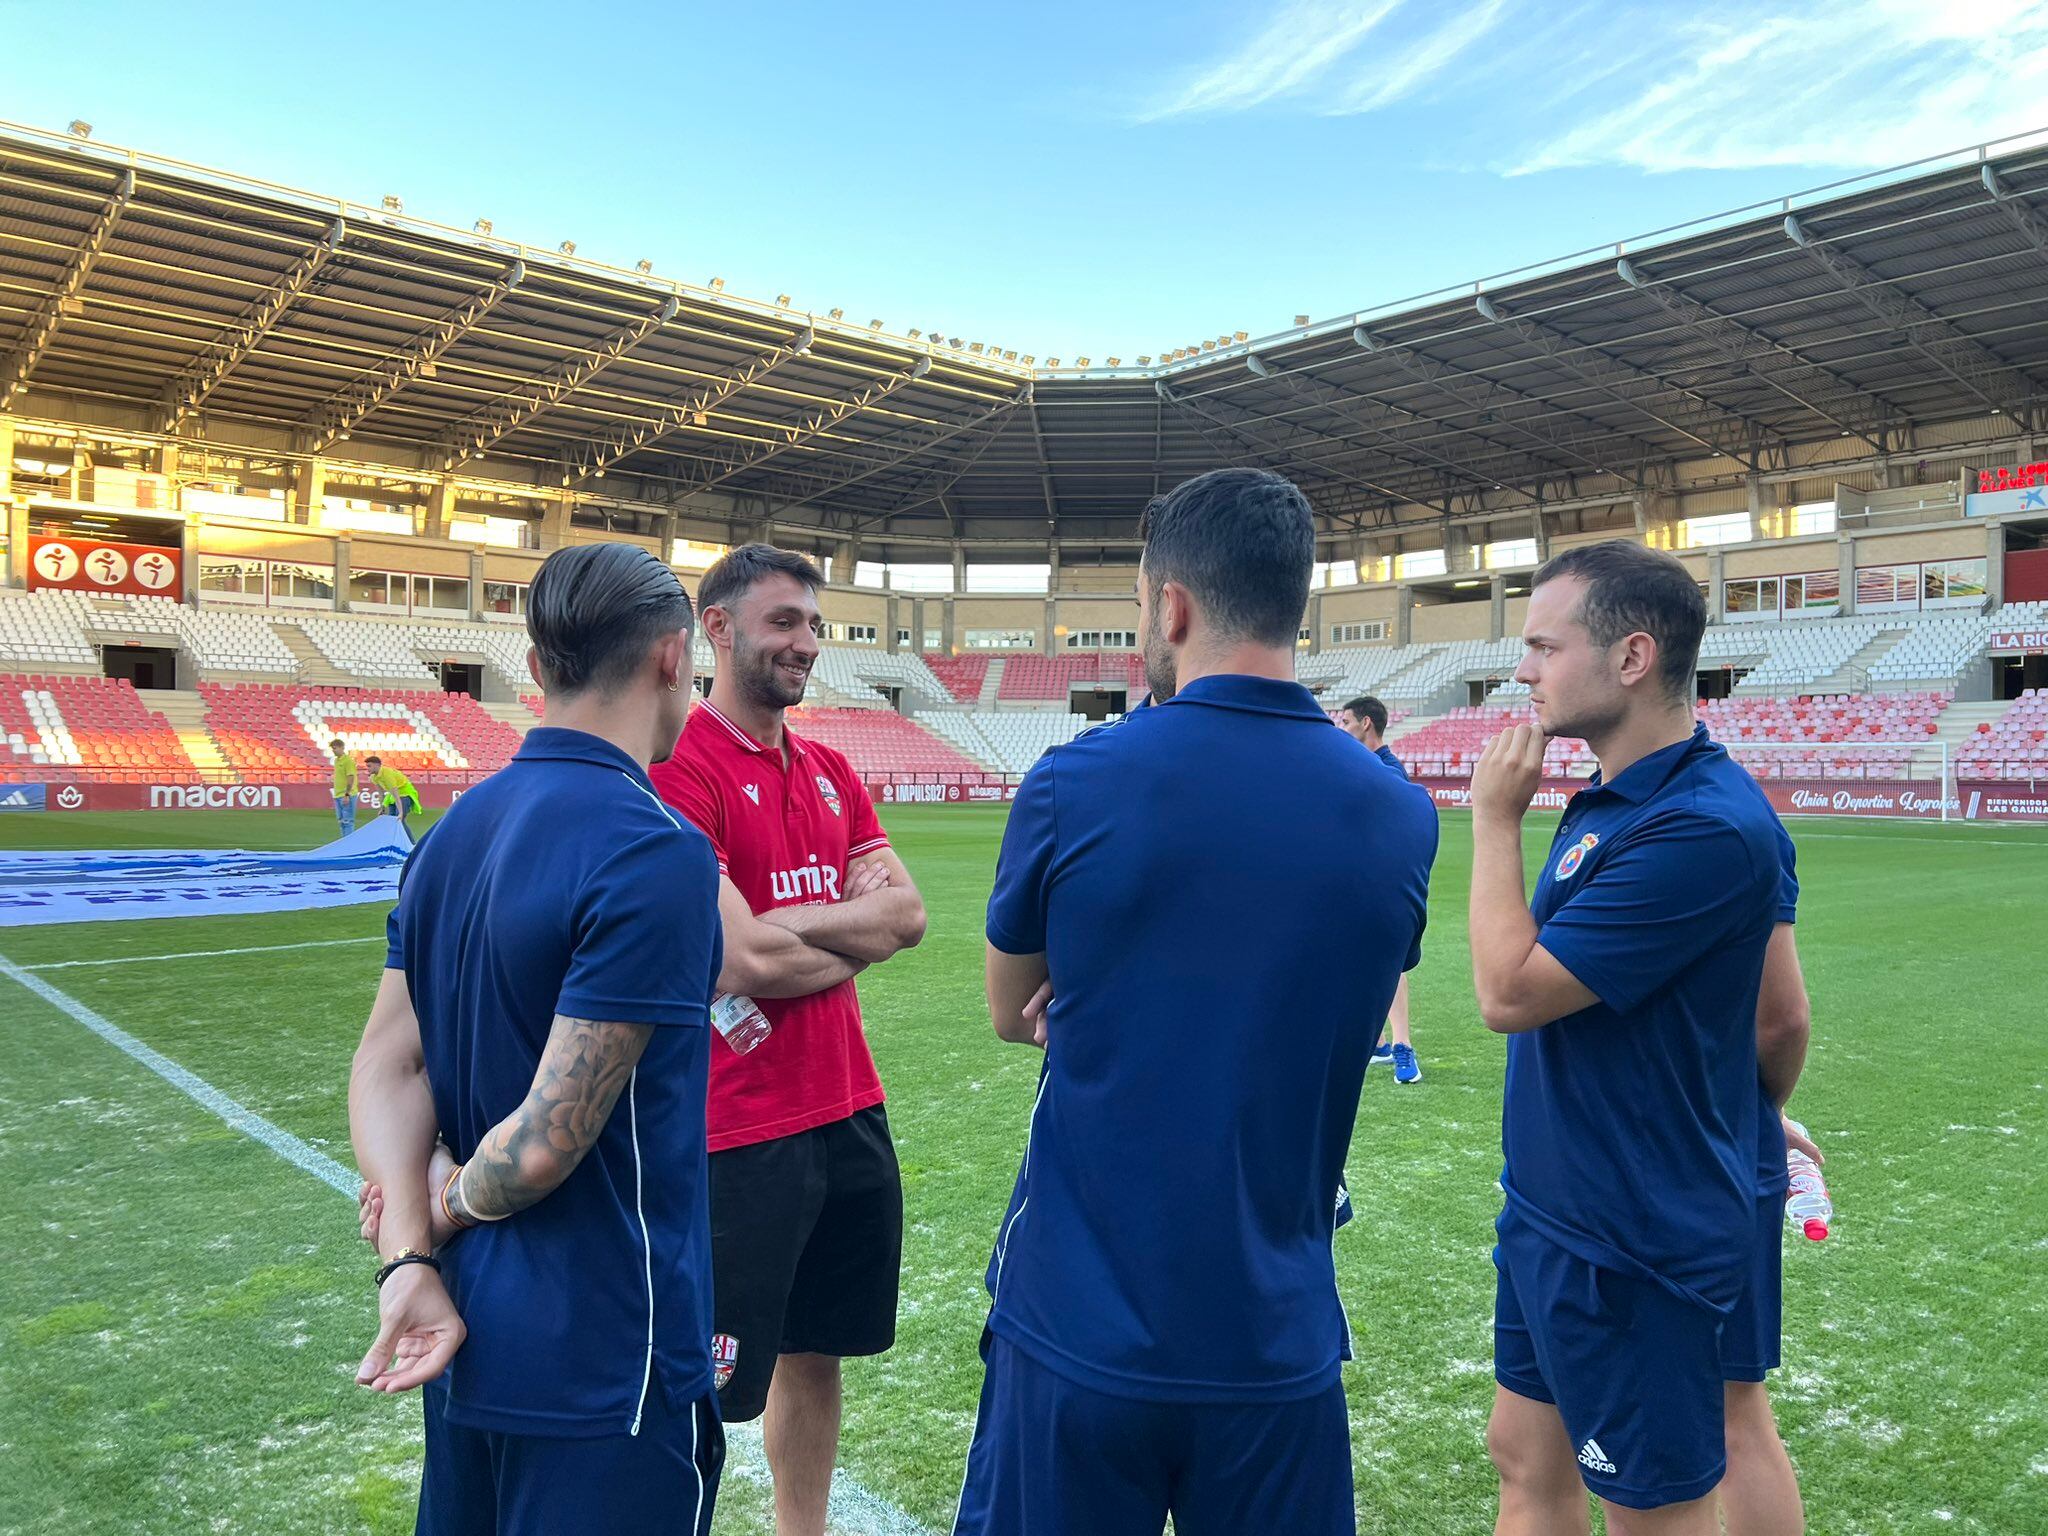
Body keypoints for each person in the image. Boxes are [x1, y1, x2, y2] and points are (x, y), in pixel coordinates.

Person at [958, 468, 1439, 1536]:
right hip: (1275, 1336)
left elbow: (1010, 1007)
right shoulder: (1398, 816)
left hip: (1078, 1322)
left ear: (1170, 604)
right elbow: (1350, 999)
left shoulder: (1071, 781)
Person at [348, 542, 726, 1535]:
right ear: (670, 658)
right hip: (606, 1354)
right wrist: (452, 1207)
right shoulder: (654, 848)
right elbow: (550, 1137)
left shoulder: (450, 837)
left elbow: (390, 1063)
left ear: (540, 669)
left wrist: (407, 1257)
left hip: (464, 1331)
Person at [1469, 540, 1792, 1535]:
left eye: (1541, 645)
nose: (1521, 669)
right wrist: (1739, 1116)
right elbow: (1771, 1016)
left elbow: (1508, 994)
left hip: (1628, 1233)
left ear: (1630, 657)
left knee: (1651, 1503)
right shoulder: (1622, 801)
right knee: (1524, 1457)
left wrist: (1490, 821)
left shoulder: (1698, 828)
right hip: (1560, 1203)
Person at [650, 543, 926, 1536]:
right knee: (708, 1384)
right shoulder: (681, 767)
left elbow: (907, 916)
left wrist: (784, 937)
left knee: (818, 1355)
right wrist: (832, 940)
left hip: (847, 1105)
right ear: (715, 630)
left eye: (814, 625)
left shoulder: (829, 768)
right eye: (783, 623)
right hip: (736, 1128)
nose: (805, 643)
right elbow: (738, 963)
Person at [1339, 694, 1424, 1084]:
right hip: (1354, 880)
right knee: (1358, 962)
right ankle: (1378, 1041)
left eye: (1346, 722)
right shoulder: (1357, 765)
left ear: (1366, 724)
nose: (1341, 729)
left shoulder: (1389, 771)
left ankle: (1404, 1047)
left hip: (1384, 884)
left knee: (1391, 962)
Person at [363, 755, 420, 834]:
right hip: (392, 795)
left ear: (377, 765)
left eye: (369, 766)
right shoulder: (373, 777)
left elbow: (396, 795)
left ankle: (412, 843)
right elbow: (381, 793)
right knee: (391, 820)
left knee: (400, 821)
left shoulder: (387, 775)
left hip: (405, 793)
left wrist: (400, 813)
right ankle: (395, 843)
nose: (367, 769)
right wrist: (382, 808)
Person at [331, 737, 358, 836]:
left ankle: (349, 844)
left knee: (348, 821)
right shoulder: (336, 761)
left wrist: (347, 794)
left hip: (346, 795)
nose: (333, 751)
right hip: (338, 794)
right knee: (341, 821)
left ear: (342, 747)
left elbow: (351, 777)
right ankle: (344, 842)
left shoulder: (348, 761)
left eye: (335, 748)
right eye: (333, 749)